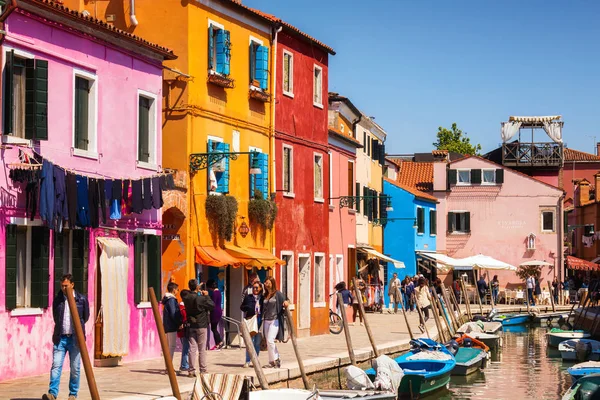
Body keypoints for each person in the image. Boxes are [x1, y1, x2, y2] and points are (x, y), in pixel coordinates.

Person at [42, 274, 90, 400]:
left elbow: (85, 317)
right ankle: (52, 393)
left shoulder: (81, 299)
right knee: (56, 365)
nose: (64, 288)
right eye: (62, 286)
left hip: (75, 339)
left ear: (72, 285)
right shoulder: (58, 300)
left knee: (75, 368)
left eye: (66, 286)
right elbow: (55, 317)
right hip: (60, 338)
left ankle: (73, 394)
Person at [182, 279, 215, 376]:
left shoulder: (186, 297)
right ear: (197, 287)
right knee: (202, 349)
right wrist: (206, 295)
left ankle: (191, 370)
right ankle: (203, 369)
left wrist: (195, 289)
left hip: (191, 324)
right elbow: (212, 306)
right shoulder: (201, 298)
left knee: (192, 348)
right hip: (201, 325)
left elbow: (184, 292)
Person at [262, 277, 289, 368]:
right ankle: (271, 361)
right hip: (266, 320)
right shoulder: (265, 295)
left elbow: (286, 300)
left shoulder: (278, 294)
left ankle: (277, 359)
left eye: (268, 283)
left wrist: (286, 303)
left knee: (270, 340)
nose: (266, 285)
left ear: (272, 283)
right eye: (265, 283)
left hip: (275, 320)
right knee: (267, 341)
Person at [240, 281, 264, 368]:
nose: (255, 289)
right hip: (250, 320)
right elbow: (242, 307)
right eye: (253, 288)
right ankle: (247, 360)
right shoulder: (248, 298)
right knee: (250, 342)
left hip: (259, 321)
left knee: (257, 342)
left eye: (257, 287)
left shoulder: (263, 299)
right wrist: (248, 308)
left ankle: (256, 360)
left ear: (260, 288)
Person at [161, 282, 182, 369]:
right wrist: (179, 323)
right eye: (177, 290)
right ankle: (169, 367)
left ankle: (168, 366)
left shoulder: (167, 300)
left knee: (169, 346)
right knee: (172, 346)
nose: (177, 291)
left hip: (167, 325)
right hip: (171, 326)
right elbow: (174, 313)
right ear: (173, 290)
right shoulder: (172, 300)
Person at [206, 279, 224, 350]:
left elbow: (212, 304)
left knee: (214, 329)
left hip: (214, 312)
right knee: (215, 328)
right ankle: (219, 342)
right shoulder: (219, 292)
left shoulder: (214, 293)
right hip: (218, 311)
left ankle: (218, 342)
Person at [177, 291, 190, 374]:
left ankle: (185, 364)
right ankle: (184, 365)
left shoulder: (181, 306)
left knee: (187, 347)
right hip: (184, 330)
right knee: (186, 347)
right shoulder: (182, 307)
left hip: (184, 330)